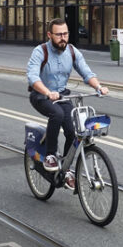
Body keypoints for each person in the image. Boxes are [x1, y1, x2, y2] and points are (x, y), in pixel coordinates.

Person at [26, 18, 109, 191]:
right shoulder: (40, 51)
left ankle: (66, 168)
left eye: (65, 34)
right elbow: (33, 78)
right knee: (57, 114)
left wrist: (98, 87)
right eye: (59, 35)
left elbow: (86, 72)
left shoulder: (72, 51)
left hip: (62, 95)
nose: (63, 38)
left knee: (74, 129)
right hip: (41, 95)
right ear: (49, 35)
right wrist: (48, 92)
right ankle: (50, 155)